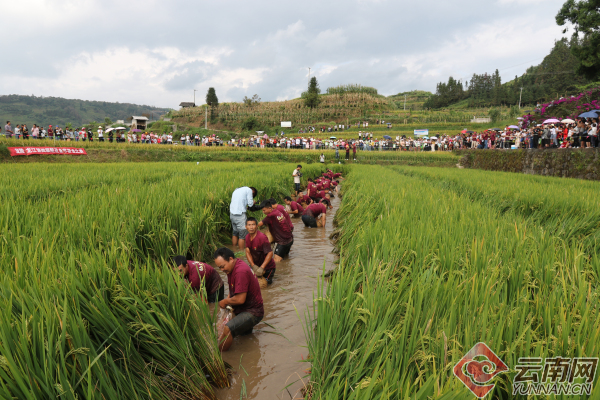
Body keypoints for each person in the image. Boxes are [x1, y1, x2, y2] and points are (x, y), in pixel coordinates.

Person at [214, 247, 264, 352]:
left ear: (231, 259)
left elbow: (240, 299)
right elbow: (233, 290)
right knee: (244, 337)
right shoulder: (232, 268)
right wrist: (228, 300)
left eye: (223, 266)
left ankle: (221, 355)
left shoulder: (240, 271)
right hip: (245, 308)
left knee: (228, 329)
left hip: (253, 312)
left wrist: (225, 301)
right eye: (219, 268)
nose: (222, 270)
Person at [245, 217, 276, 284]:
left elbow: (270, 253)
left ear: (257, 226)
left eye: (253, 225)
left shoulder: (262, 238)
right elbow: (248, 252)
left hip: (268, 267)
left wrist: (262, 267)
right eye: (249, 225)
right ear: (246, 227)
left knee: (264, 286)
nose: (251, 227)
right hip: (256, 265)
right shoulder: (247, 237)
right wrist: (253, 265)